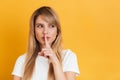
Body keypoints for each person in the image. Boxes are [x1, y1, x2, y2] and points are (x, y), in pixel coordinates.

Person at [12, 6, 80, 80]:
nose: (45, 31)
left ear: (57, 31)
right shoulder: (22, 60)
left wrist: (55, 62)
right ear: (33, 31)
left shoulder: (68, 56)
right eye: (40, 26)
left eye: (51, 26)